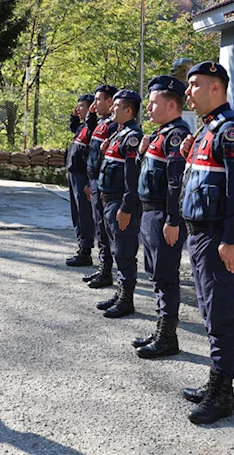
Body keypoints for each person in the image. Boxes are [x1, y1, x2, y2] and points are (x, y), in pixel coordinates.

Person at [180, 61, 234, 424]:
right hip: (200, 236)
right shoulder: (207, 131)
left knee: (222, 316)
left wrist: (231, 240)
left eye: (195, 85)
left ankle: (222, 393)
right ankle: (217, 384)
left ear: (216, 88)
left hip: (217, 238)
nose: (188, 92)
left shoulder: (230, 131)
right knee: (210, 312)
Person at [132, 75, 191, 358]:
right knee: (155, 274)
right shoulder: (159, 134)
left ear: (171, 105)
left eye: (154, 104)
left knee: (166, 276)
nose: (149, 109)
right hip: (149, 212)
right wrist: (141, 151)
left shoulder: (176, 135)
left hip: (161, 215)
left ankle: (168, 336)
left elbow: (175, 184)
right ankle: (160, 329)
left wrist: (173, 220)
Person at [94, 89, 143, 318]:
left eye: (117, 106)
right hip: (108, 199)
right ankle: (120, 293)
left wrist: (126, 207)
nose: (112, 109)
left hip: (119, 202)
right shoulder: (119, 134)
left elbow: (131, 178)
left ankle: (126, 300)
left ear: (128, 110)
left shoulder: (132, 136)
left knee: (124, 251)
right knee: (116, 248)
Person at [82, 85, 119, 288]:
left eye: (98, 100)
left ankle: (107, 271)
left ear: (110, 101)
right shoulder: (102, 123)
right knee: (99, 227)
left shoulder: (113, 126)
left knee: (106, 230)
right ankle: (103, 268)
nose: (94, 105)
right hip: (94, 180)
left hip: (104, 183)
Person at [65, 93, 97, 267]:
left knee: (85, 215)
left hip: (83, 176)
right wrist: (74, 116)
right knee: (76, 214)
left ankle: (86, 251)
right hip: (73, 173)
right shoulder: (82, 127)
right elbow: (73, 126)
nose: (78, 109)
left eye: (82, 106)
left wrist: (88, 182)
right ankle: (81, 247)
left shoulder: (93, 127)